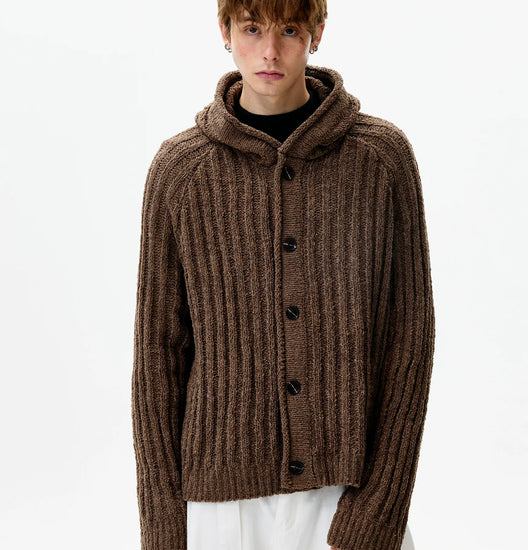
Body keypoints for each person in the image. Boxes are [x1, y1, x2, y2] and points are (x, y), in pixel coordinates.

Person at [131, 1, 436, 549]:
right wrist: (162, 530)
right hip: (221, 509)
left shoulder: (380, 161)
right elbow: (157, 358)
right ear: (225, 30)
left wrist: (379, 510)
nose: (269, 51)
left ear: (317, 32)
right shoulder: (180, 172)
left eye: (289, 30)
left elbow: (408, 341)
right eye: (252, 29)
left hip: (345, 497)